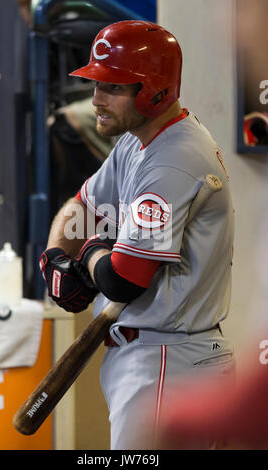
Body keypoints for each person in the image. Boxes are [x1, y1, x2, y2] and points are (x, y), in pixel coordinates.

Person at [39, 20, 235, 449]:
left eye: (112, 88)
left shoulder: (173, 160)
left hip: (169, 363)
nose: (96, 100)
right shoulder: (137, 140)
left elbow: (123, 279)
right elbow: (82, 209)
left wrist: (88, 257)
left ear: (155, 90)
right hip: (151, 357)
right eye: (96, 85)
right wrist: (56, 256)